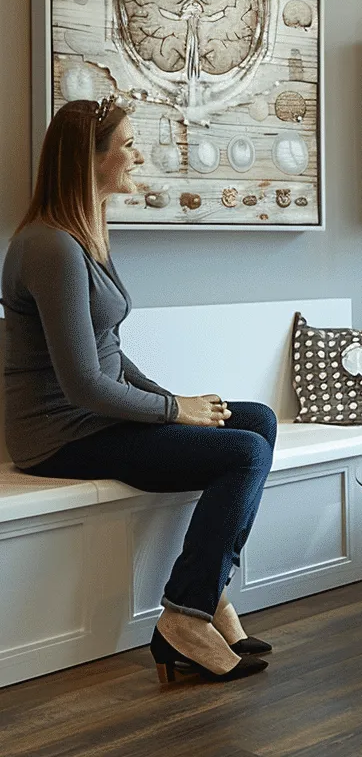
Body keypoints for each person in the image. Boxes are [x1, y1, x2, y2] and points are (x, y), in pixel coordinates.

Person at [1, 98, 275, 682]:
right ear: (88, 159)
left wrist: (172, 401)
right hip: (61, 436)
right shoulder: (50, 246)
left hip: (97, 418)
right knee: (245, 451)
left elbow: (106, 349)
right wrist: (174, 410)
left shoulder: (83, 233)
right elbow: (82, 385)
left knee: (257, 420)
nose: (139, 154)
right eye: (127, 144)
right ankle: (187, 617)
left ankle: (206, 596)